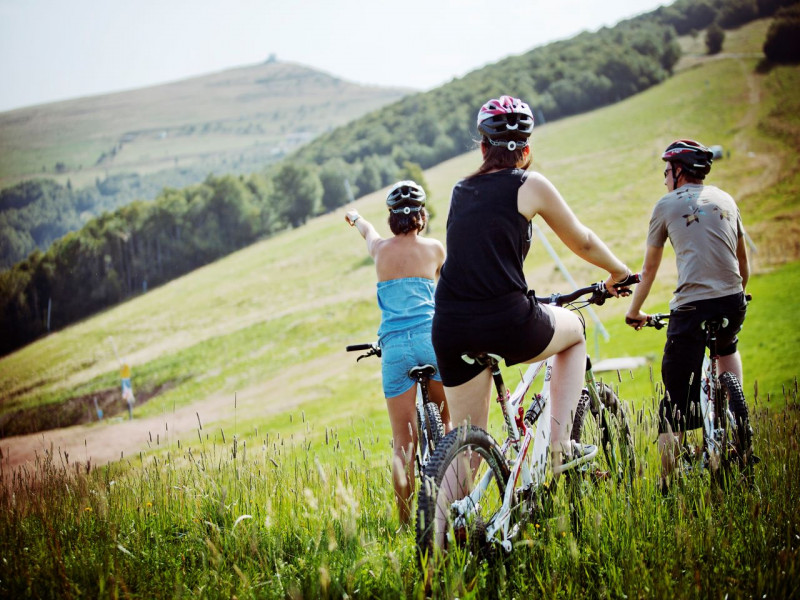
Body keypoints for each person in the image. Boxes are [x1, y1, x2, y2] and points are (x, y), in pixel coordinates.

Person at [431, 95, 631, 472]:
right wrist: (618, 273)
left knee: (466, 445)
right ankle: (560, 448)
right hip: (507, 320)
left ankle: (443, 512)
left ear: (483, 147)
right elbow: (583, 242)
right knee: (575, 332)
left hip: (450, 326)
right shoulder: (529, 184)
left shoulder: (460, 190)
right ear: (526, 149)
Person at [625, 139, 749, 490]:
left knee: (676, 399)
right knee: (727, 345)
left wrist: (634, 311)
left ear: (679, 172)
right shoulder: (726, 199)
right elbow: (742, 263)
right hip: (733, 301)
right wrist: (738, 293)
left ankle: (667, 483)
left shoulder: (666, 205)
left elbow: (649, 271)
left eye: (667, 171)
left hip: (691, 308)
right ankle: (738, 424)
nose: (665, 178)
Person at [345, 180, 450, 526]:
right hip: (432, 341)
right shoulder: (435, 249)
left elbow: (368, 232)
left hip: (395, 350)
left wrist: (356, 218)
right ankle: (455, 505)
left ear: (392, 218)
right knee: (447, 423)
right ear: (422, 215)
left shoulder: (380, 251)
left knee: (404, 442)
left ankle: (406, 524)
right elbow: (445, 290)